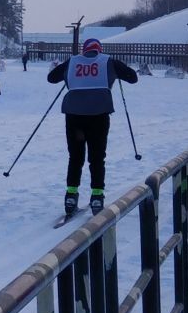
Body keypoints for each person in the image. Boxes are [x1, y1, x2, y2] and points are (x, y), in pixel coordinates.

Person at [47, 38, 140, 216]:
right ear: (99, 50)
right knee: (97, 157)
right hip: (99, 116)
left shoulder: (73, 62)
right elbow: (133, 78)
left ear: (84, 50)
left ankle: (71, 195)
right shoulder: (108, 61)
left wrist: (70, 76)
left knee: (75, 156)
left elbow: (51, 78)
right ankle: (97, 196)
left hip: (74, 117)